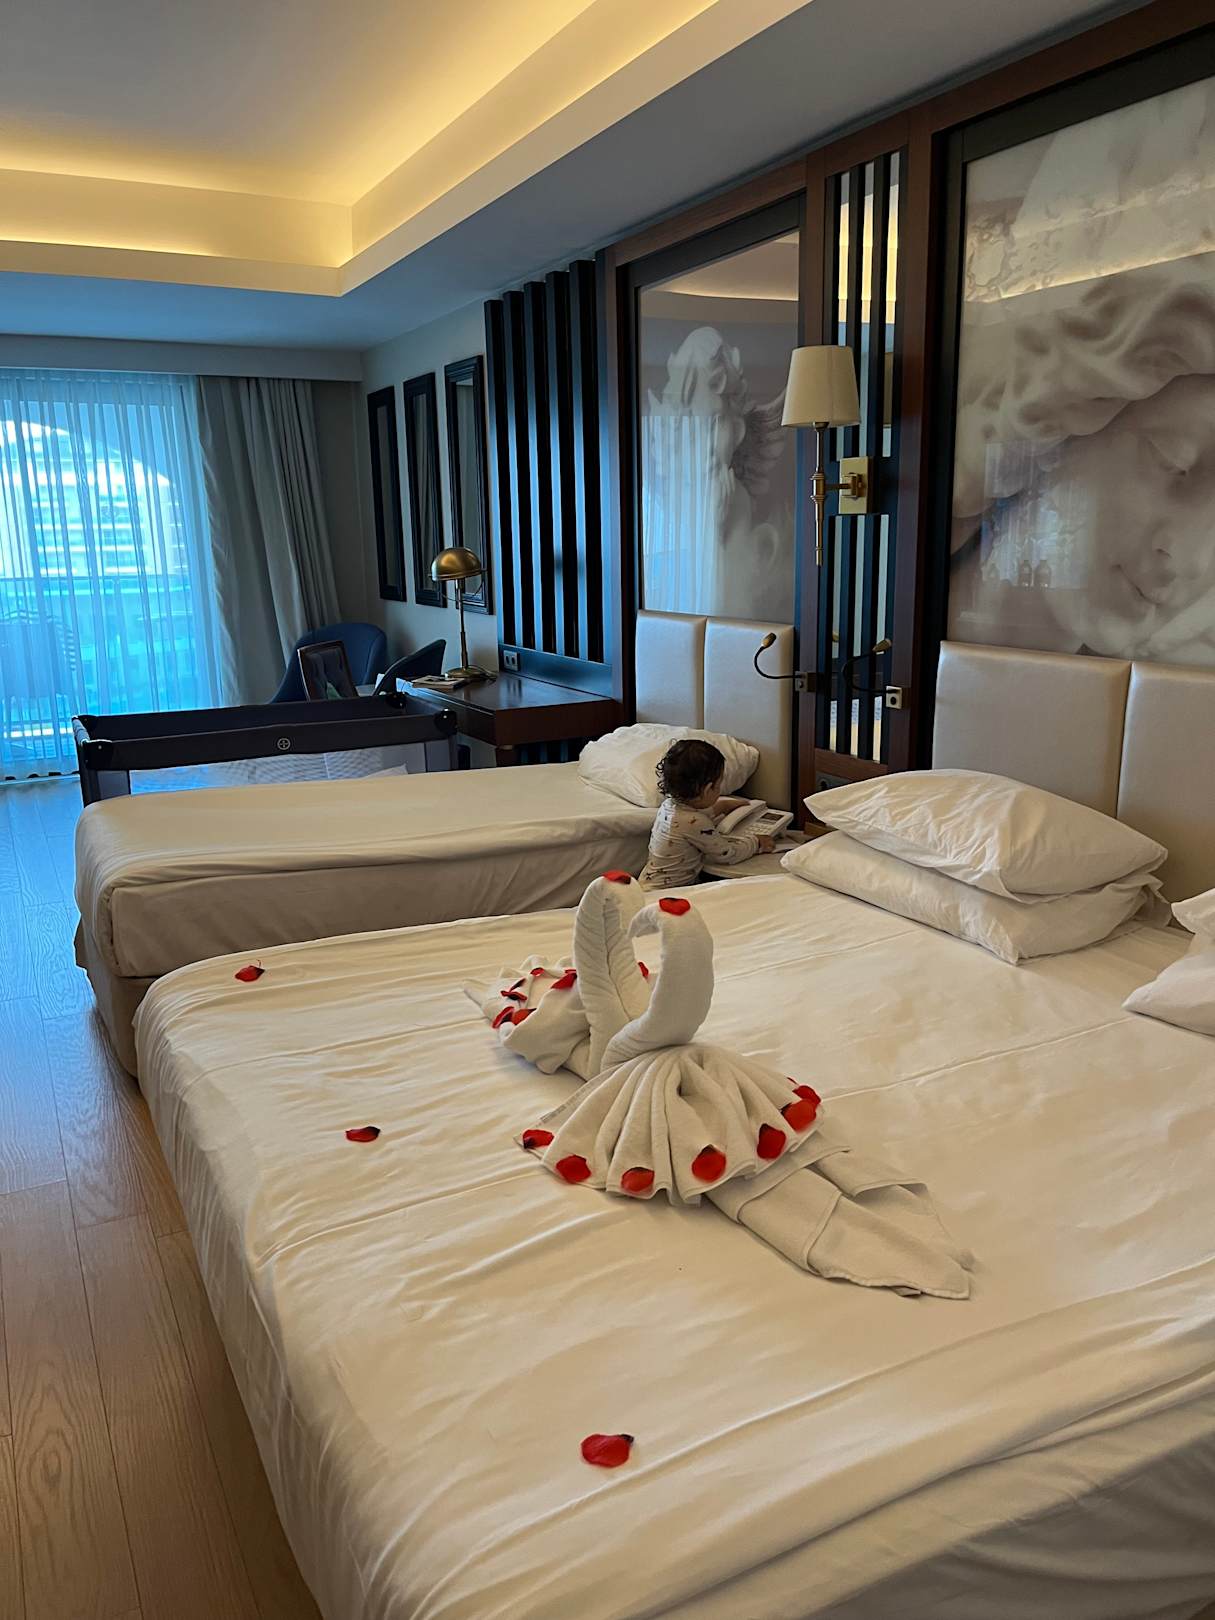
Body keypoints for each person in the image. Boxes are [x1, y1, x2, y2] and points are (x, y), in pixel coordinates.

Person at [638, 738, 773, 891]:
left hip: (648, 885)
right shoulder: (697, 822)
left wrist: (723, 806)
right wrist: (756, 842)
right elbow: (727, 854)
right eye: (719, 785)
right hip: (670, 892)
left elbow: (692, 817)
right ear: (709, 789)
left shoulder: (668, 806)